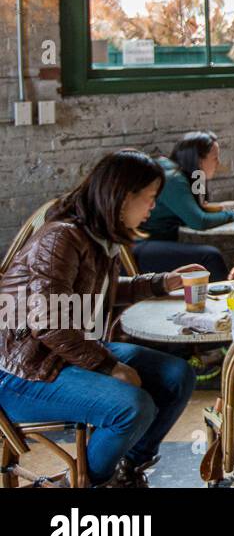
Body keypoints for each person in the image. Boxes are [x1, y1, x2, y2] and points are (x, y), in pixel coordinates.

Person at [0, 150, 200, 487]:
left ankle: (125, 470)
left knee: (176, 375)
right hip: (21, 371)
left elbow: (97, 291)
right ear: (123, 198)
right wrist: (109, 367)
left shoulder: (93, 236)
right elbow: (48, 322)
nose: (152, 207)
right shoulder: (61, 238)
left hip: (61, 352)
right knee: (131, 407)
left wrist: (160, 283)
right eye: (149, 198)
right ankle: (86, 483)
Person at [135, 132, 234, 280]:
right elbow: (199, 221)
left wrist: (201, 177)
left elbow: (200, 206)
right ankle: (224, 299)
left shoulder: (187, 174)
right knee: (210, 256)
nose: (218, 163)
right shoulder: (174, 178)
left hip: (153, 243)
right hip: (140, 246)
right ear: (199, 160)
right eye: (215, 158)